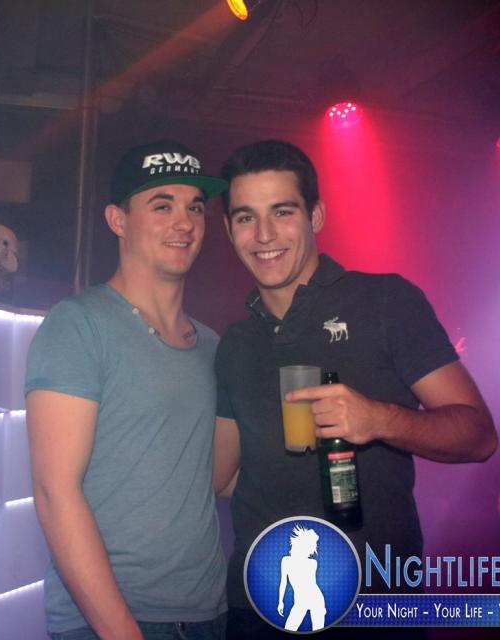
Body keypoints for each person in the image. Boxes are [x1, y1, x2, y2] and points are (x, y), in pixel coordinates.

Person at [212, 139, 497, 638]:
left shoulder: (385, 302)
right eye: (245, 217)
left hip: (376, 608)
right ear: (229, 229)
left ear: (316, 216)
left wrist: (379, 420)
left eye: (282, 211)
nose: (264, 234)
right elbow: (224, 475)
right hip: (258, 608)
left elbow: (479, 436)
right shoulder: (234, 343)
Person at [25, 140, 229, 640]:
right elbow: (55, 492)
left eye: (194, 207)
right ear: (118, 220)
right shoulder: (79, 325)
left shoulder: (212, 344)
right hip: (110, 620)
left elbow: (214, 479)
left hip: (208, 612)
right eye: (162, 205)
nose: (184, 222)